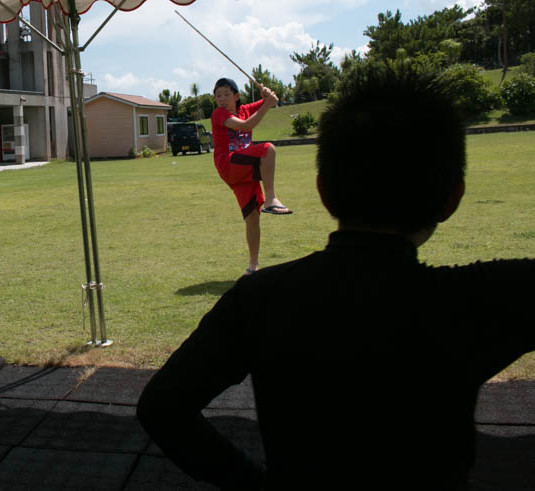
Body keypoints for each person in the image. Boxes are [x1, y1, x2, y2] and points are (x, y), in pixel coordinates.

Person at [137, 71, 535, 489]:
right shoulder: (477, 300)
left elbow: (162, 407)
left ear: (324, 191)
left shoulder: (258, 300)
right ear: (452, 198)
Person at [211, 77, 291, 275]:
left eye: (226, 95)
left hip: (244, 171)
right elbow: (246, 126)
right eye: (218, 95)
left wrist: (268, 96)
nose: (221, 99)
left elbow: (272, 100)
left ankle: (253, 267)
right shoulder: (218, 114)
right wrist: (268, 104)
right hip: (229, 164)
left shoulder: (245, 108)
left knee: (253, 217)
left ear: (237, 96)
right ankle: (271, 198)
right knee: (268, 150)